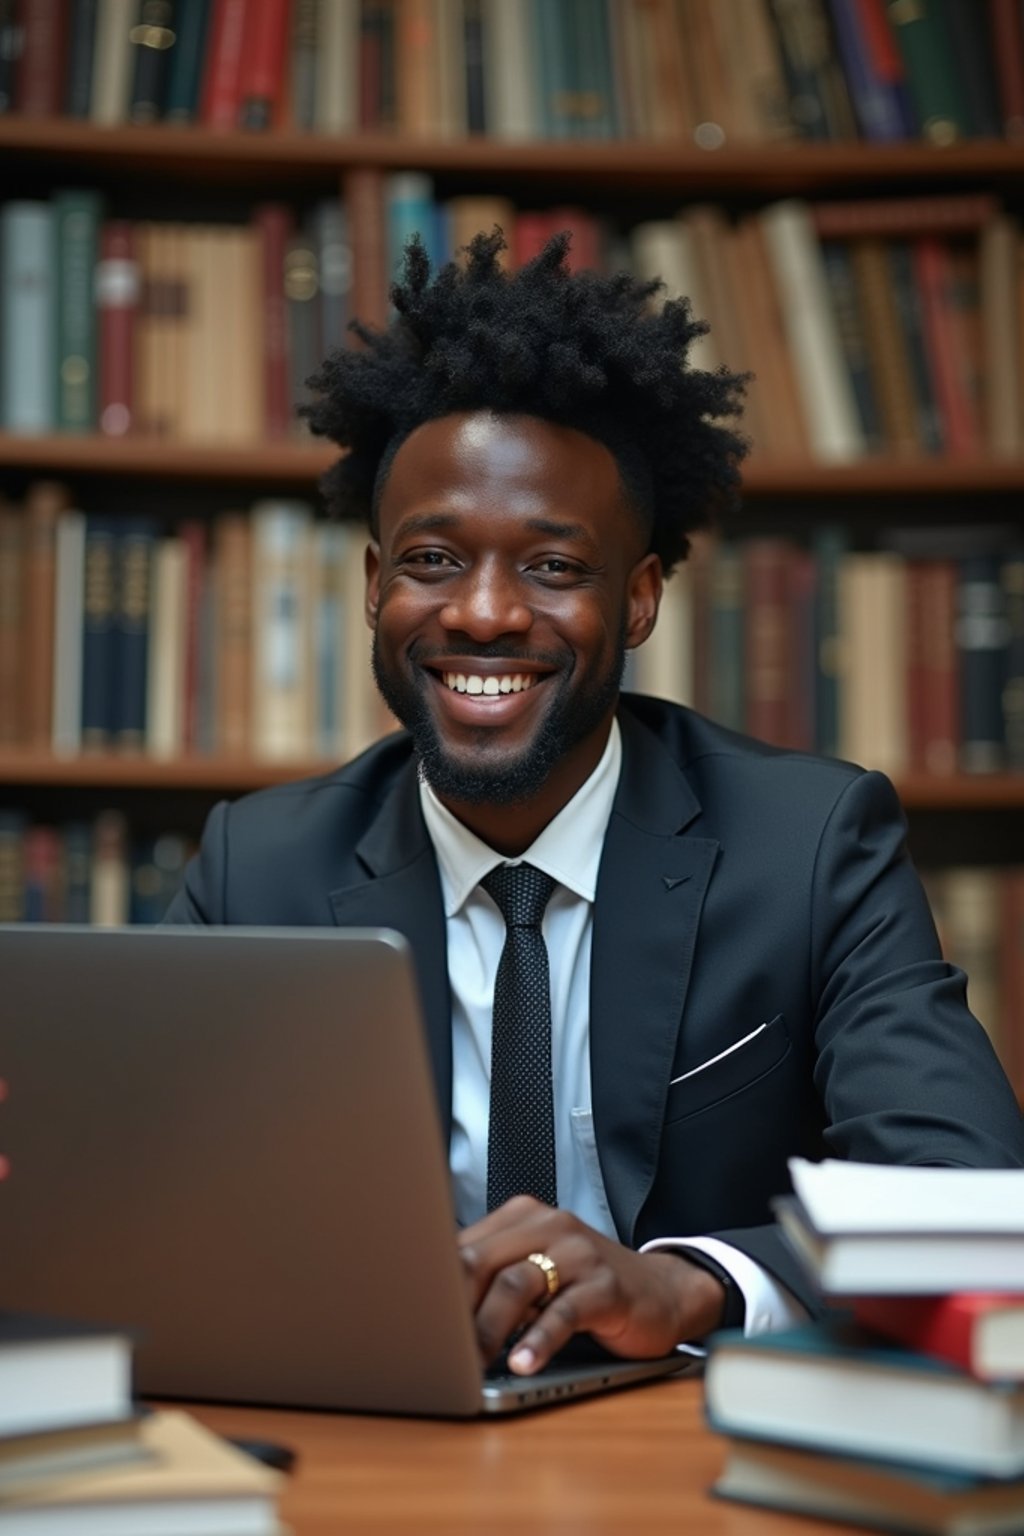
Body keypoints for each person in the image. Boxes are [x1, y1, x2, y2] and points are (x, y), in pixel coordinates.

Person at [165, 230, 1024, 1375]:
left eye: (553, 568)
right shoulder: (257, 865)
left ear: (639, 600)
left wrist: (685, 1283)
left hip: (691, 1445)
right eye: (431, 559)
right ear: (374, 587)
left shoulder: (808, 844)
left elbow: (968, 1201)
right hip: (383, 1435)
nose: (480, 613)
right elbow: (141, 1192)